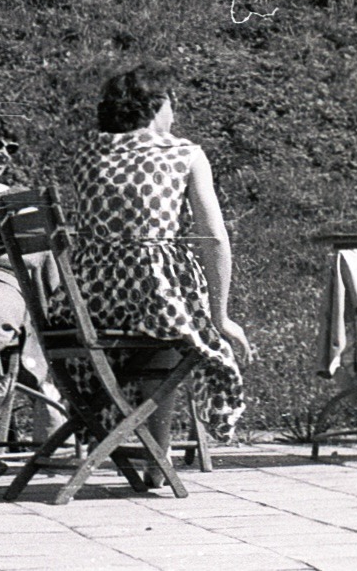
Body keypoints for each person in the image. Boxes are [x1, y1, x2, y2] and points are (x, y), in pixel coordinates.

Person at [65, 68, 252, 475]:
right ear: (156, 106)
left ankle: (147, 449)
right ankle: (157, 454)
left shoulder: (84, 152)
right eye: (172, 102)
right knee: (171, 326)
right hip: (153, 298)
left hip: (84, 304)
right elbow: (215, 238)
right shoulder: (183, 153)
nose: (175, 113)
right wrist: (221, 317)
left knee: (159, 323)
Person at [0, 116, 67, 472]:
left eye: (11, 148)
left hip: (0, 282)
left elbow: (42, 255)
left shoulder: (17, 200)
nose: (4, 153)